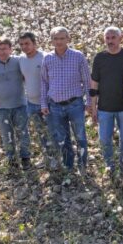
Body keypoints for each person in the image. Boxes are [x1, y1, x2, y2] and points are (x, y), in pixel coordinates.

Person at [40, 27, 92, 185]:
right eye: (56, 39)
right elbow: (43, 82)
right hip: (55, 106)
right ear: (52, 40)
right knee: (63, 139)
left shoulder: (78, 56)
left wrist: (89, 101)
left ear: (68, 39)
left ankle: (83, 165)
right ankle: (68, 166)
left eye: (62, 38)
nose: (59, 41)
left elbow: (87, 81)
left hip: (75, 104)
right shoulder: (47, 59)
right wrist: (44, 103)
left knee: (80, 136)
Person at [0, 37, 31, 170]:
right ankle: (12, 160)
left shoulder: (18, 61)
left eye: (4, 48)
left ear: (10, 49)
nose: (2, 51)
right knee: (6, 134)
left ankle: (25, 158)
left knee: (23, 132)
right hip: (1, 108)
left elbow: (28, 78)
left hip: (20, 105)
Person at [91, 27, 123, 179]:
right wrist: (93, 107)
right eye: (107, 38)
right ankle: (109, 164)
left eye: (113, 37)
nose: (110, 41)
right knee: (104, 139)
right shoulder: (99, 58)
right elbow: (94, 83)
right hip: (104, 108)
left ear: (121, 38)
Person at [18, 32, 56, 169]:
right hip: (31, 103)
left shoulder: (45, 57)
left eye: (27, 43)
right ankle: (47, 157)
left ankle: (59, 158)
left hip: (49, 103)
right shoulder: (21, 59)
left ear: (34, 43)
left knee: (53, 131)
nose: (24, 47)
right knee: (41, 133)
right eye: (21, 44)